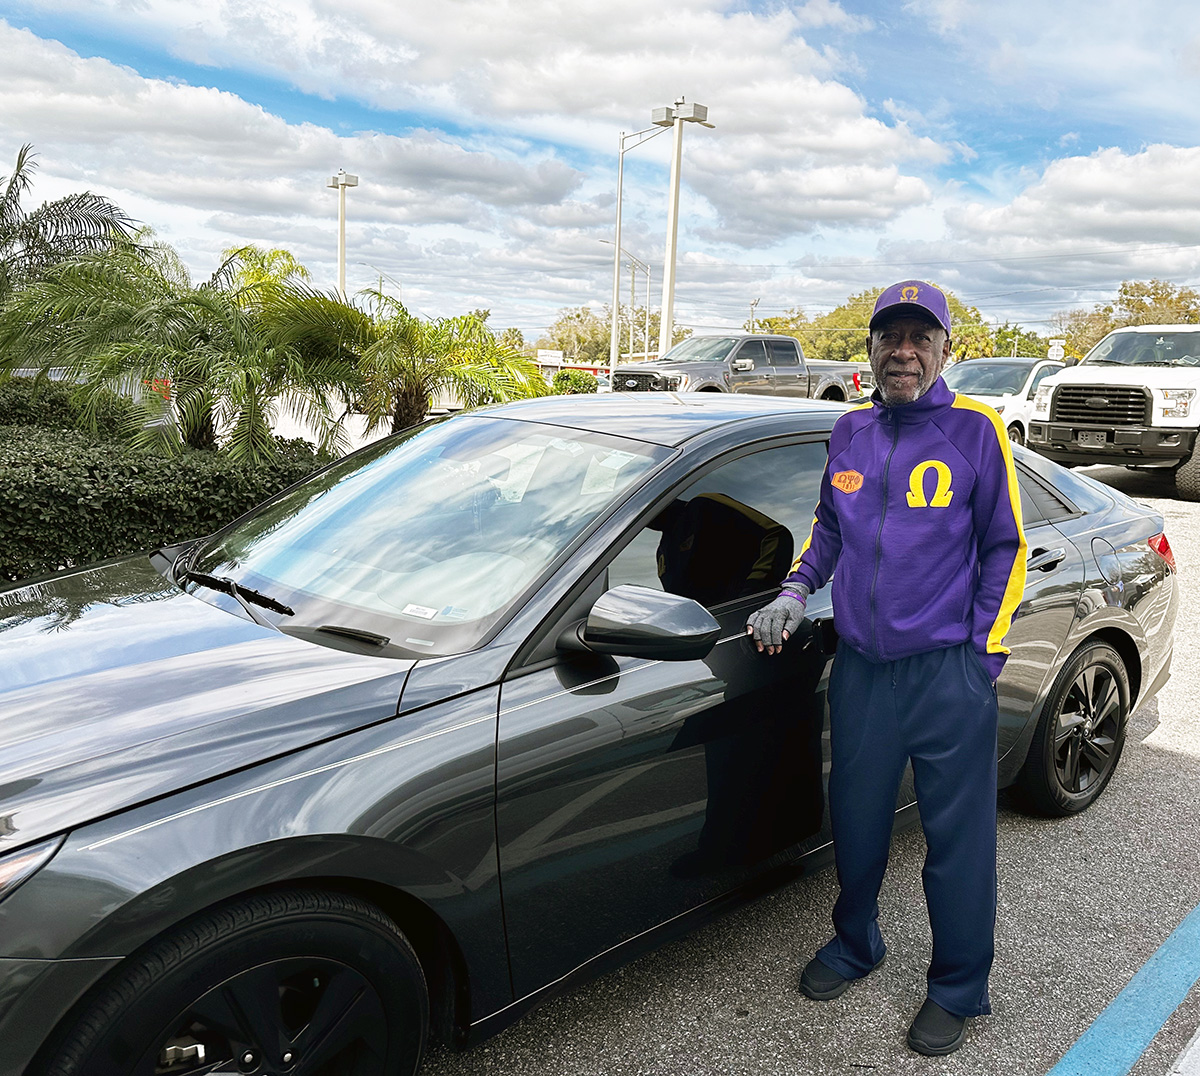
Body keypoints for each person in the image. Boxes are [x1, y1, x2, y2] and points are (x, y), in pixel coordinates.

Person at [746, 280, 1026, 1057]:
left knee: (957, 841)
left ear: (944, 350)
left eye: (919, 338)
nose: (902, 352)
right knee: (859, 825)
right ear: (869, 348)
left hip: (947, 673)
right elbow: (828, 529)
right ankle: (857, 945)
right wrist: (797, 590)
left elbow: (1007, 547)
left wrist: (981, 655)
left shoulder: (977, 431)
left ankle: (960, 987)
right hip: (865, 670)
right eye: (888, 338)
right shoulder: (848, 431)